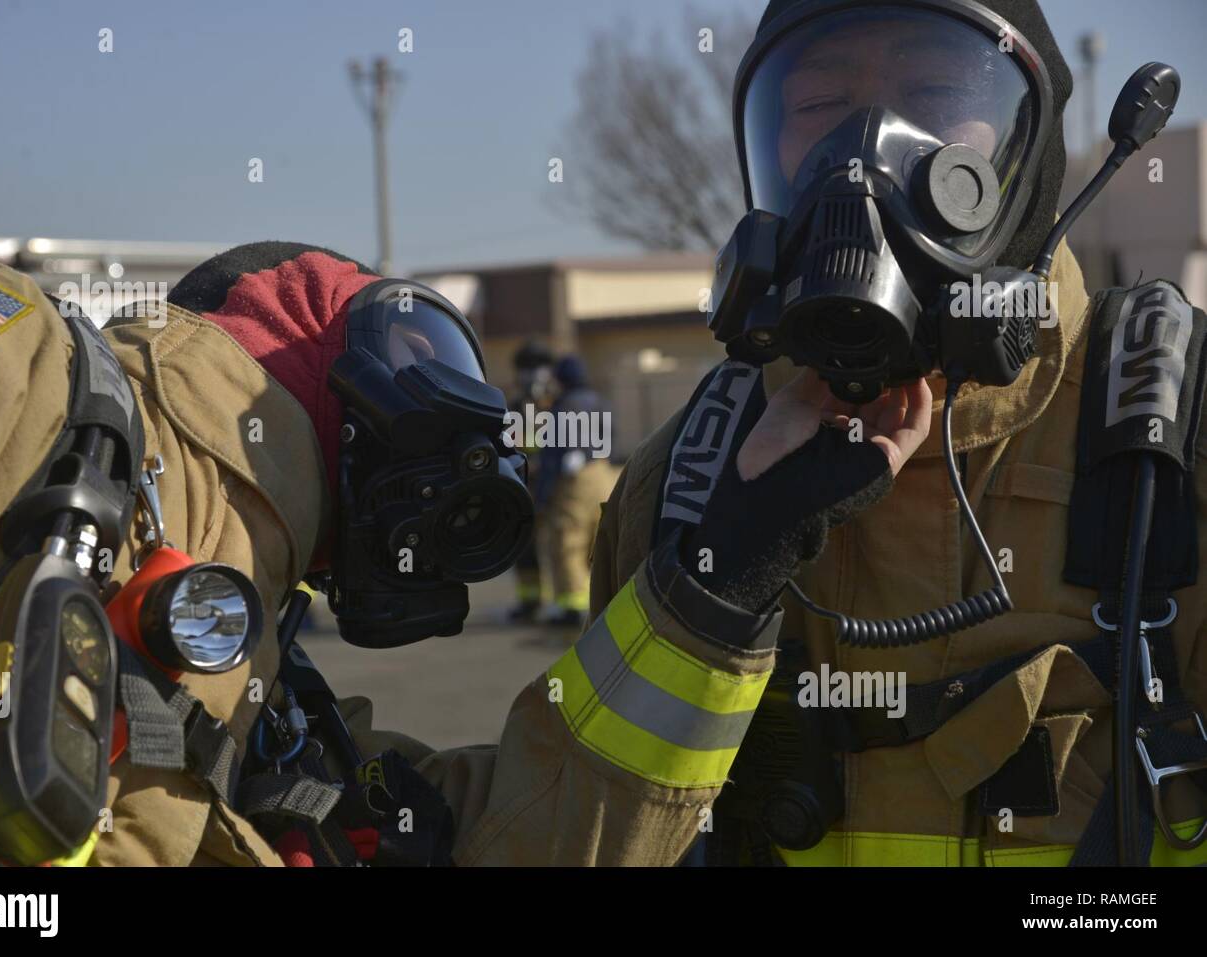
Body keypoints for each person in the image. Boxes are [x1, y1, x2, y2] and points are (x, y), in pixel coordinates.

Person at [0, 242, 923, 867]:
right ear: (303, 329)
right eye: (426, 352)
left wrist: (720, 580)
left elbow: (512, 843)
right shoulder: (8, 374)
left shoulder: (278, 724)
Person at [589, 0, 1207, 866]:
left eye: (939, 89)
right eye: (816, 107)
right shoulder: (686, 485)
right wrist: (712, 590)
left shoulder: (1175, 449)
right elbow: (582, 823)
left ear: (1029, 153)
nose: (867, 147)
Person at [532, 356, 619, 629]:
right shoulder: (599, 400)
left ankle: (573, 609)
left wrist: (541, 497)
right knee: (598, 544)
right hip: (604, 475)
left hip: (574, 484)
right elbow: (611, 437)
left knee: (567, 541)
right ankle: (600, 603)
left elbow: (551, 457)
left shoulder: (563, 407)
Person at [506, 340, 556, 622]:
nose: (532, 374)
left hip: (554, 483)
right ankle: (530, 601)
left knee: (563, 544)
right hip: (524, 482)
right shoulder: (513, 405)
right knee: (525, 545)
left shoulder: (557, 402)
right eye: (527, 369)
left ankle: (573, 601)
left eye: (537, 368)